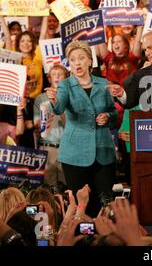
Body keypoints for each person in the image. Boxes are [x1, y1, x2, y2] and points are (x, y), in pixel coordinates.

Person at [46, 40, 118, 216]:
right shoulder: (65, 85)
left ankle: (102, 240)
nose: (77, 63)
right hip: (75, 154)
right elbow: (59, 108)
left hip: (103, 151)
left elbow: (114, 113)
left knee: (104, 203)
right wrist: (54, 99)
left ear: (89, 61)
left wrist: (108, 117)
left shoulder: (103, 83)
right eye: (72, 60)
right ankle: (83, 239)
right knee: (81, 204)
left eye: (81, 58)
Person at [33, 65, 69, 186]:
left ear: (66, 78)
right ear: (49, 79)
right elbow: (37, 125)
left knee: (67, 186)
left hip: (66, 148)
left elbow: (69, 124)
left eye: (60, 74)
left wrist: (56, 102)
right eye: (54, 74)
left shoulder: (70, 97)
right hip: (47, 148)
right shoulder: (40, 98)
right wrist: (43, 121)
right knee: (48, 187)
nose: (57, 76)